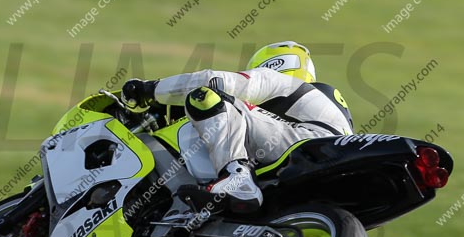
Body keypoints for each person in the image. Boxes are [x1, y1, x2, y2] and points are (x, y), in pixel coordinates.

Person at [122, 41, 354, 213]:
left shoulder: (277, 81)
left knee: (206, 97)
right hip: (327, 167)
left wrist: (149, 91)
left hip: (307, 145)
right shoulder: (318, 104)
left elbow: (212, 81)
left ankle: (237, 178)